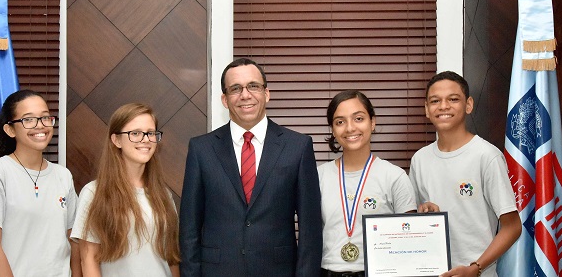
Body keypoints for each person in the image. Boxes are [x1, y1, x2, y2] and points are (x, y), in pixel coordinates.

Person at [179, 58, 322, 276]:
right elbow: (189, 227)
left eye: (253, 86)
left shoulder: (298, 147)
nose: (245, 95)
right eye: (235, 89)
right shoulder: (201, 149)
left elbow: (310, 229)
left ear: (266, 94)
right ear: (225, 100)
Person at [409, 71, 521, 277]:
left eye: (453, 99)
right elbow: (415, 222)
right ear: (426, 109)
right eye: (435, 101)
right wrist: (422, 210)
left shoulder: (486, 155)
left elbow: (512, 227)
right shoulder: (420, 159)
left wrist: (475, 268)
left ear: (468, 105)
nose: (443, 106)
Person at [0, 89, 81, 277]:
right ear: (10, 129)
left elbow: (73, 239)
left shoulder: (63, 175)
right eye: (28, 119)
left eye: (44, 118)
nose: (40, 125)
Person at [70, 103, 180, 277]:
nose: (145, 139)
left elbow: (171, 258)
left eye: (150, 133)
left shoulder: (164, 195)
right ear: (116, 140)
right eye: (135, 133)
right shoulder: (94, 193)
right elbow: (88, 259)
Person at [318, 90, 417, 277]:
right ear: (332, 129)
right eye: (340, 122)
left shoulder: (394, 176)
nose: (349, 128)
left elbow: (408, 241)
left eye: (358, 119)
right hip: (327, 272)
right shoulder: (318, 176)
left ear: (372, 122)